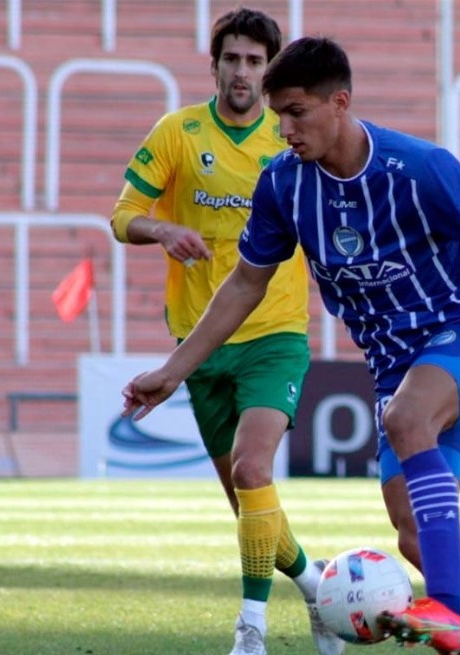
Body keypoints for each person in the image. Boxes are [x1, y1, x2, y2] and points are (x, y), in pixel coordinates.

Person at [122, 36, 460, 655]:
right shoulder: (283, 185)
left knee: (408, 418)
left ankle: (443, 609)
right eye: (278, 114)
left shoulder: (418, 167)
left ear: (340, 103)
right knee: (415, 537)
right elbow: (245, 283)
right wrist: (173, 371)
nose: (283, 128)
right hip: (394, 363)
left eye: (296, 112)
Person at [109, 9, 344, 655]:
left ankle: (251, 631)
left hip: (274, 333)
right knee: (251, 504)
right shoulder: (178, 132)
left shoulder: (290, 136)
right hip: (198, 341)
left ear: (269, 69)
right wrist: (161, 229)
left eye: (254, 61)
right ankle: (320, 587)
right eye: (232, 59)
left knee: (251, 467)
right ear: (213, 64)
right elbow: (122, 213)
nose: (242, 72)